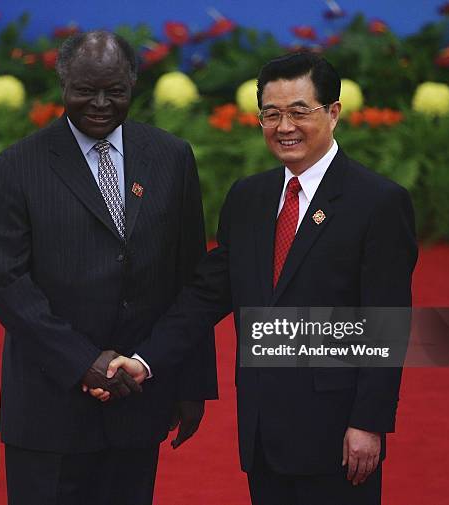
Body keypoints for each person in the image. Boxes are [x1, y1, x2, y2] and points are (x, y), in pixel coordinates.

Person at [105, 53, 418, 504]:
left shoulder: (378, 203)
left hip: (337, 435)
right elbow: (205, 296)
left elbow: (387, 323)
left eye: (298, 111)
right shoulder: (248, 198)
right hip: (263, 432)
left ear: (333, 113)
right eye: (271, 114)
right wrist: (145, 360)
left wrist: (369, 422)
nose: (284, 126)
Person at [0, 30, 217, 505]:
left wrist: (191, 385)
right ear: (62, 82)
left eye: (116, 90)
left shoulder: (171, 158)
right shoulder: (17, 166)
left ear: (133, 84)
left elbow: (191, 277)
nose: (101, 103)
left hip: (138, 401)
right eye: (85, 90)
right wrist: (82, 363)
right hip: (49, 409)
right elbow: (6, 282)